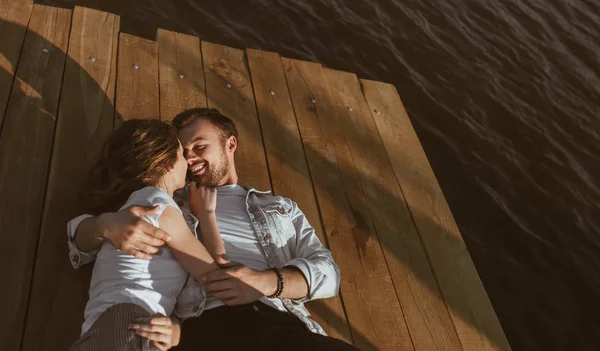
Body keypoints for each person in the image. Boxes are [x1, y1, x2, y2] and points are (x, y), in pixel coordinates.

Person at [68, 108, 360, 350]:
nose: (190, 157)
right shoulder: (168, 200)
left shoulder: (280, 208)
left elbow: (329, 274)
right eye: (183, 152)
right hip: (203, 330)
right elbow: (79, 241)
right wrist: (104, 225)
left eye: (199, 146)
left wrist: (265, 282)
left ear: (230, 144)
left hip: (278, 321)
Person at [69, 119, 227, 351]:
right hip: (131, 320)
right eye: (182, 154)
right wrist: (207, 215)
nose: (188, 161)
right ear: (168, 164)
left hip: (116, 323)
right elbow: (214, 274)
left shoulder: (131, 207)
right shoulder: (159, 206)